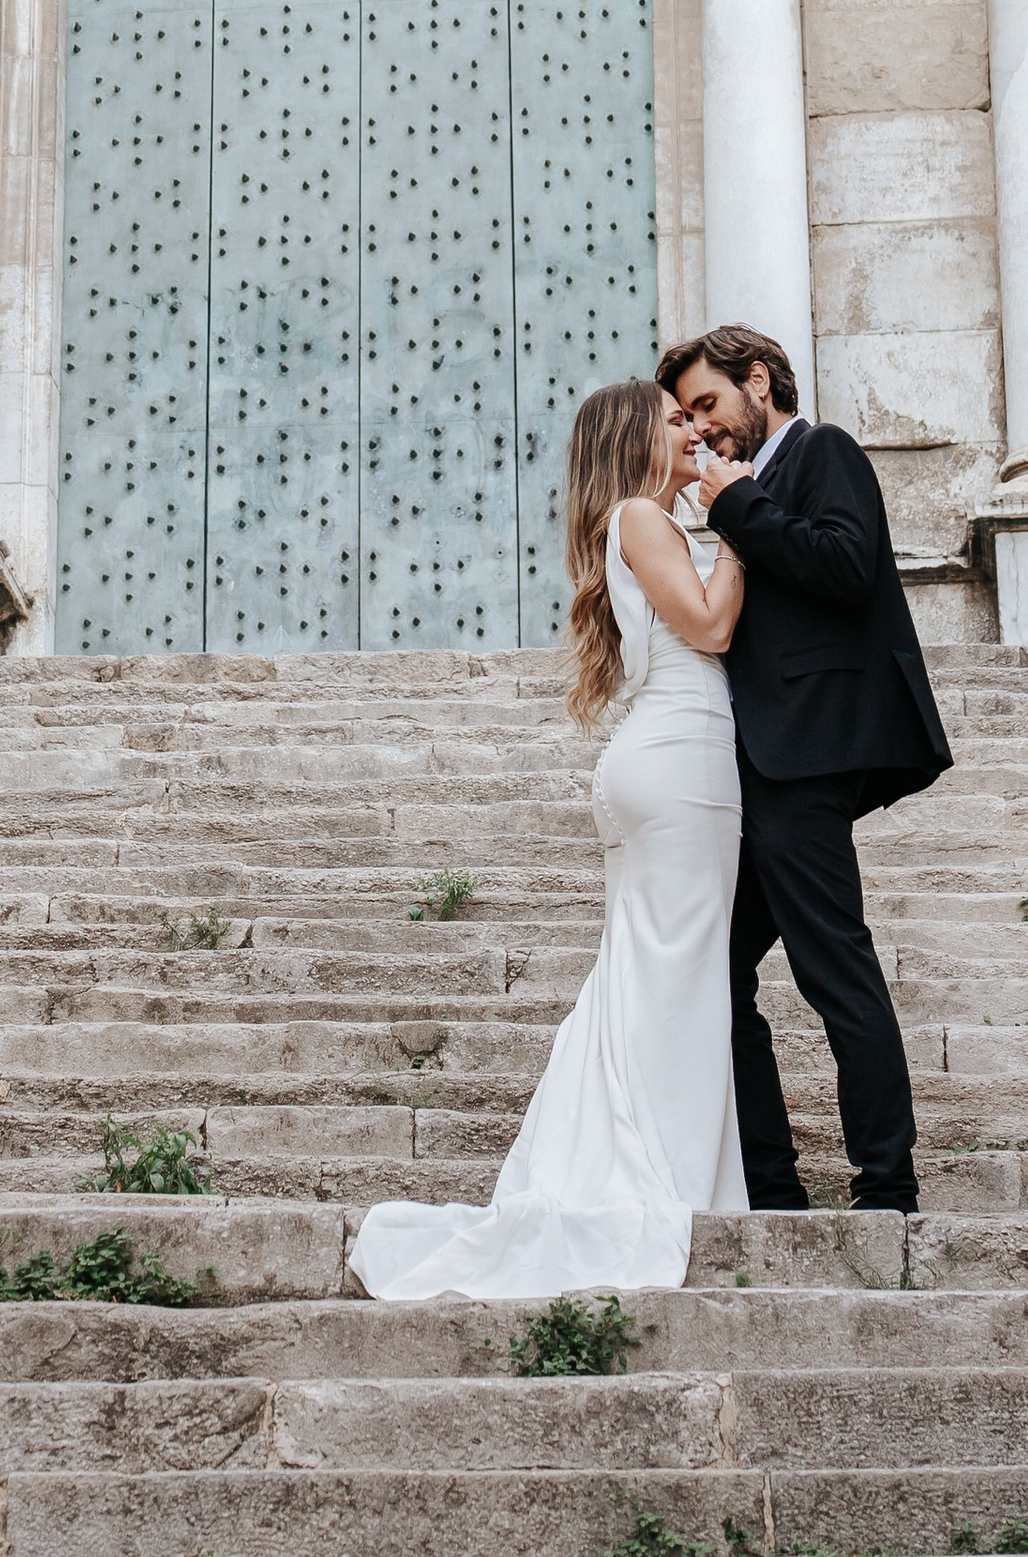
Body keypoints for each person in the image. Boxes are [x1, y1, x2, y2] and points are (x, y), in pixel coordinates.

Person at [351, 378, 745, 1301]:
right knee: (680, 981)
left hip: (662, 764)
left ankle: (646, 1166)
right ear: (638, 436)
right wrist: (737, 527)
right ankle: (675, 1183)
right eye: (675, 417)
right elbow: (714, 625)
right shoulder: (646, 521)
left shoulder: (640, 523)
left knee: (644, 982)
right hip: (682, 764)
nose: (692, 427)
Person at [661, 322, 950, 1217]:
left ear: (760, 380)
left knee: (836, 968)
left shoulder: (822, 451)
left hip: (810, 754)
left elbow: (844, 562)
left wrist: (736, 506)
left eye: (709, 403)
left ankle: (888, 1186)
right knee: (715, 971)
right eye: (688, 416)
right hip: (762, 763)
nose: (702, 429)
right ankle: (772, 1185)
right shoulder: (747, 485)